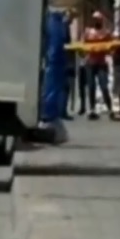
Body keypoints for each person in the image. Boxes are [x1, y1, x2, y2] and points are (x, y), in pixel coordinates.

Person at [38, 8, 69, 144]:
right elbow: (55, 50)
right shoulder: (55, 22)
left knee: (53, 87)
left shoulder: (53, 21)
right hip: (54, 64)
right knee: (53, 87)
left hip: (53, 63)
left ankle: (49, 118)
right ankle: (49, 119)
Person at [83, 11, 113, 120]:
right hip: (90, 62)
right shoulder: (88, 32)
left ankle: (110, 108)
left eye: (98, 20)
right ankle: (91, 109)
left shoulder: (106, 33)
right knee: (91, 86)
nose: (96, 22)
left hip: (101, 63)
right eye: (94, 20)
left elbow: (111, 47)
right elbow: (83, 46)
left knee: (104, 86)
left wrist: (105, 49)